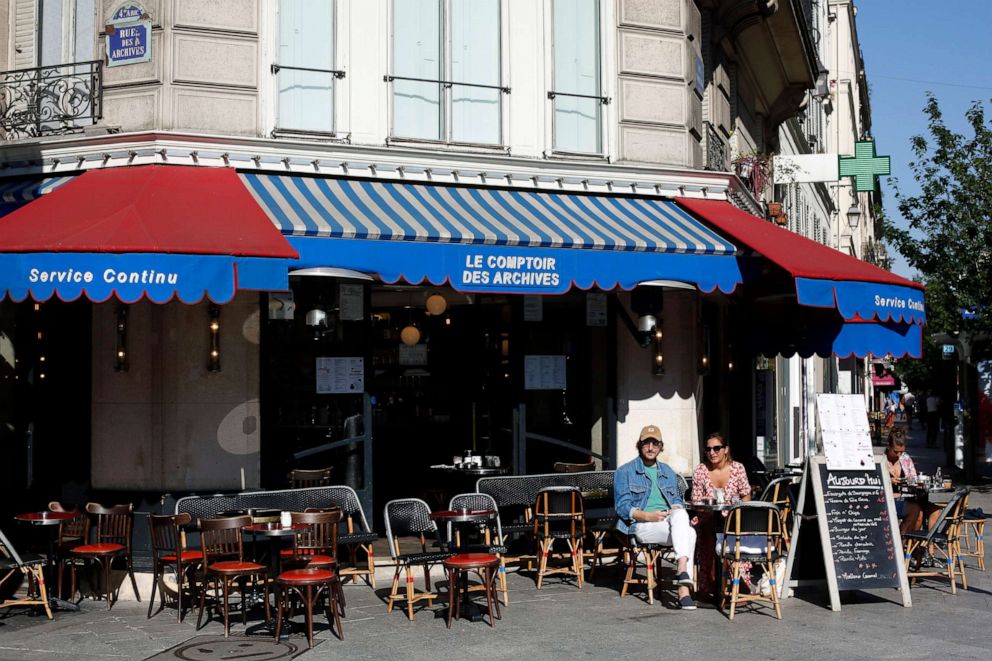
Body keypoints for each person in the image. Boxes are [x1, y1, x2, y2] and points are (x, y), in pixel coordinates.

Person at [614, 424, 697, 610]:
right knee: (689, 533)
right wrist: (648, 516)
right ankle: (684, 588)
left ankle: (682, 573)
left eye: (655, 443)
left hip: (667, 522)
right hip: (641, 525)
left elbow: (676, 499)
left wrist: (674, 509)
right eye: (646, 443)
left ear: (661, 446)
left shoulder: (667, 471)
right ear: (639, 445)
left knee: (682, 516)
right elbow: (622, 507)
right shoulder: (625, 471)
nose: (651, 448)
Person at [690, 433, 752, 598]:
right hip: (708, 517)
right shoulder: (701, 470)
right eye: (708, 449)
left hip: (733, 519)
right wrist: (705, 501)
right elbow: (695, 501)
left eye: (717, 448)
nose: (712, 452)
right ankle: (710, 585)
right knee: (708, 530)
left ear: (726, 450)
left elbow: (746, 495)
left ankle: (738, 583)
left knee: (730, 530)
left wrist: (738, 511)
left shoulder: (737, 468)